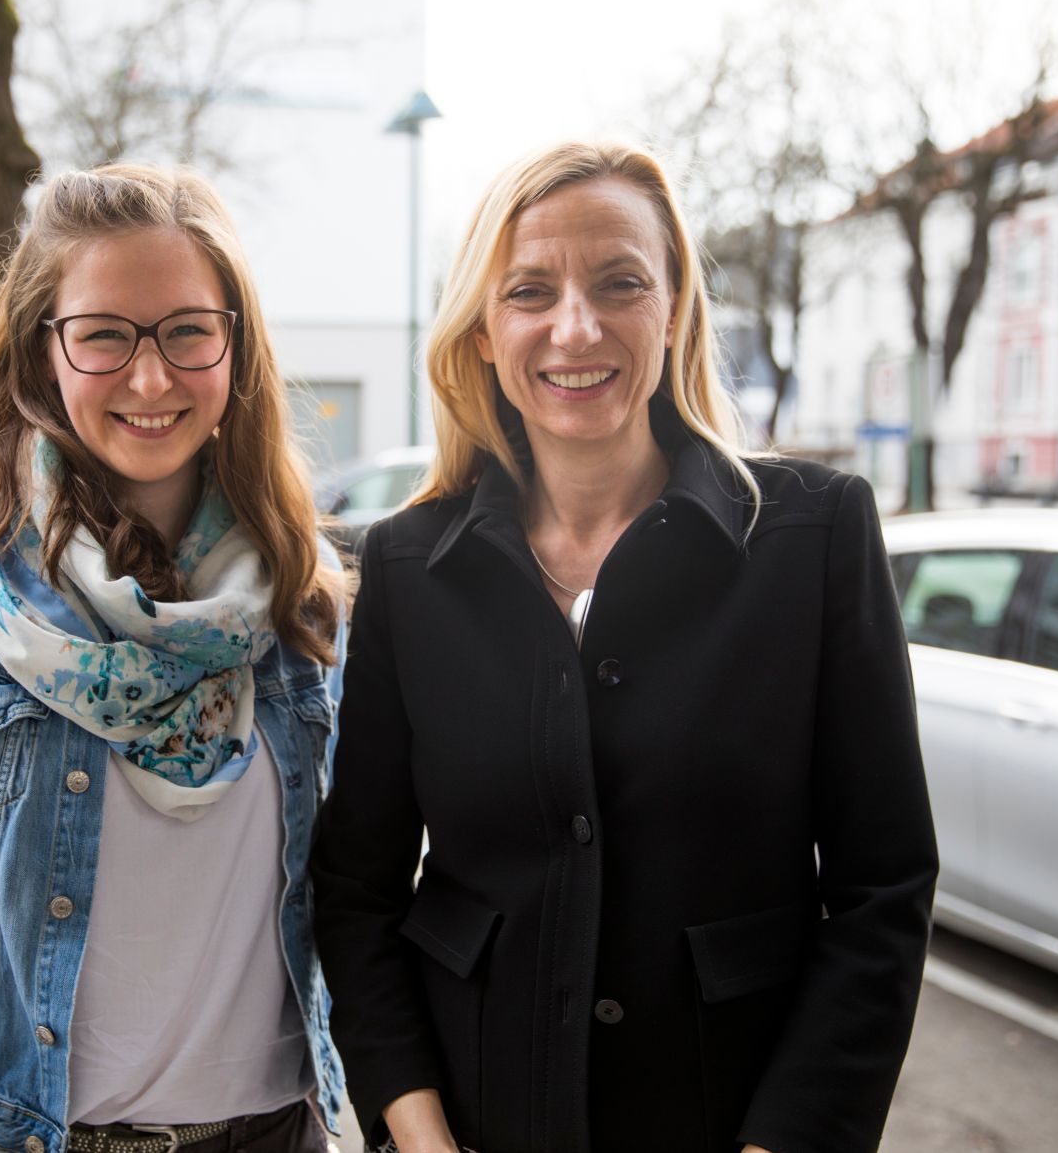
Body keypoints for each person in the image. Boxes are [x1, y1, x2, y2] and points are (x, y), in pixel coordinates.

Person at [311, 141, 938, 1153]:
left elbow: (882, 888)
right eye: (527, 291)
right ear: (479, 329)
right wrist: (418, 1138)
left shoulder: (812, 536)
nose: (574, 326)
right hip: (473, 1121)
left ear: (675, 309)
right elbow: (355, 894)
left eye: (620, 283)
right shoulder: (404, 566)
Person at [0, 164, 349, 1153]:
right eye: (103, 335)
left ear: (233, 345)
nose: (150, 376)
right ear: (42, 354)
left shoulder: (301, 605)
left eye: (186, 330)